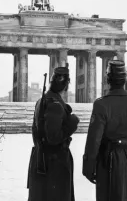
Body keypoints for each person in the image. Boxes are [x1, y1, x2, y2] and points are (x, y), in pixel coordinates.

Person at [83, 59, 127, 201]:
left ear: (108, 79)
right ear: (125, 79)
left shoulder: (101, 104)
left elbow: (94, 141)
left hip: (110, 161)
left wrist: (89, 167)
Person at [27, 66, 80, 201]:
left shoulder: (42, 101)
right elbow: (53, 137)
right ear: (66, 84)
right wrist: (71, 124)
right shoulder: (55, 104)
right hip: (54, 163)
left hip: (42, 158)